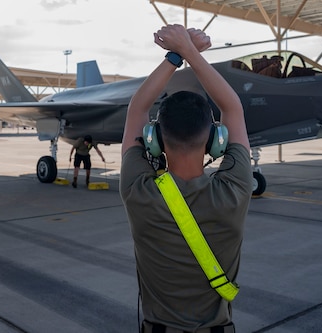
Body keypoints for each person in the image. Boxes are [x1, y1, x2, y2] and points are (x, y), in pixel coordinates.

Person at [119, 24, 252, 332]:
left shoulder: (137, 191)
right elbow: (232, 107)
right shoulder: (235, 191)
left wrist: (175, 56)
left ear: (154, 139)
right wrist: (190, 52)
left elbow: (136, 109)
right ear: (215, 140)